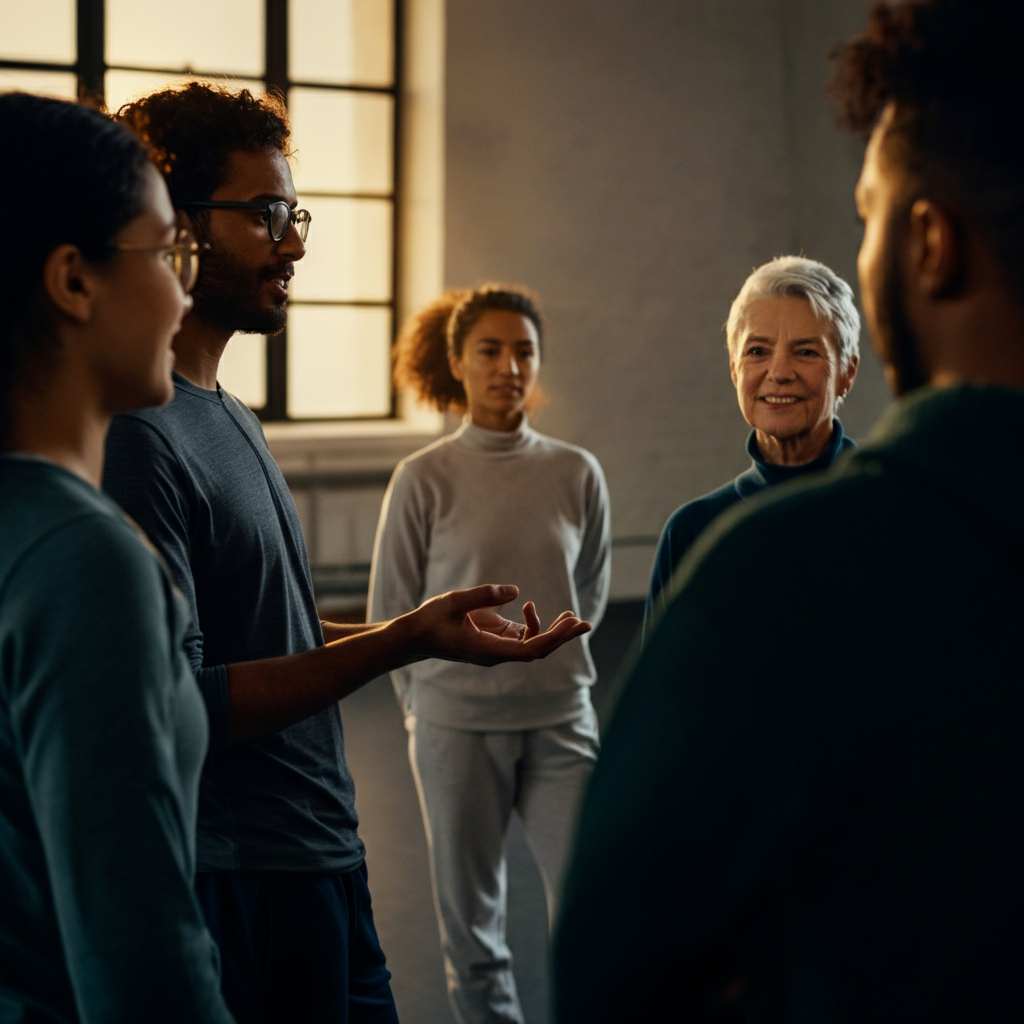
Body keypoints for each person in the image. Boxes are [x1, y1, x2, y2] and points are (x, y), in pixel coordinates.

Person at [554, 0, 1024, 1019]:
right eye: (756, 350)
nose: (778, 371)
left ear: (928, 242)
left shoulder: (774, 569)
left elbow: (615, 973)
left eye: (869, 213)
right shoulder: (714, 537)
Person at [102, 84, 588, 1024]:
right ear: (175, 226)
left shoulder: (225, 412)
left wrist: (420, 631)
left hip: (321, 857)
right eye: (267, 214)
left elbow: (258, 620)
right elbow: (183, 702)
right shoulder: (139, 437)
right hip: (244, 880)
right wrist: (401, 642)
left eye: (296, 213)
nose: (294, 240)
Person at [0, 92, 234, 1023]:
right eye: (169, 250)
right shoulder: (83, 562)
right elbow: (140, 967)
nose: (184, 288)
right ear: (75, 280)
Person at [368, 286, 610, 1024]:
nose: (510, 366)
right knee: (474, 934)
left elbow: (592, 590)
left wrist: (551, 663)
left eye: (524, 352)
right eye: (491, 350)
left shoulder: (576, 471)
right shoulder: (424, 477)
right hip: (454, 727)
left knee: (591, 917)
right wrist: (429, 710)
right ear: (458, 362)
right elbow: (391, 612)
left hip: (562, 721)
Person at [644, 256, 860, 640]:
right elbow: (666, 695)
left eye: (806, 351)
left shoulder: (892, 511)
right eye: (757, 351)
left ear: (847, 372)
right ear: (734, 370)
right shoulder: (692, 532)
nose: (779, 373)